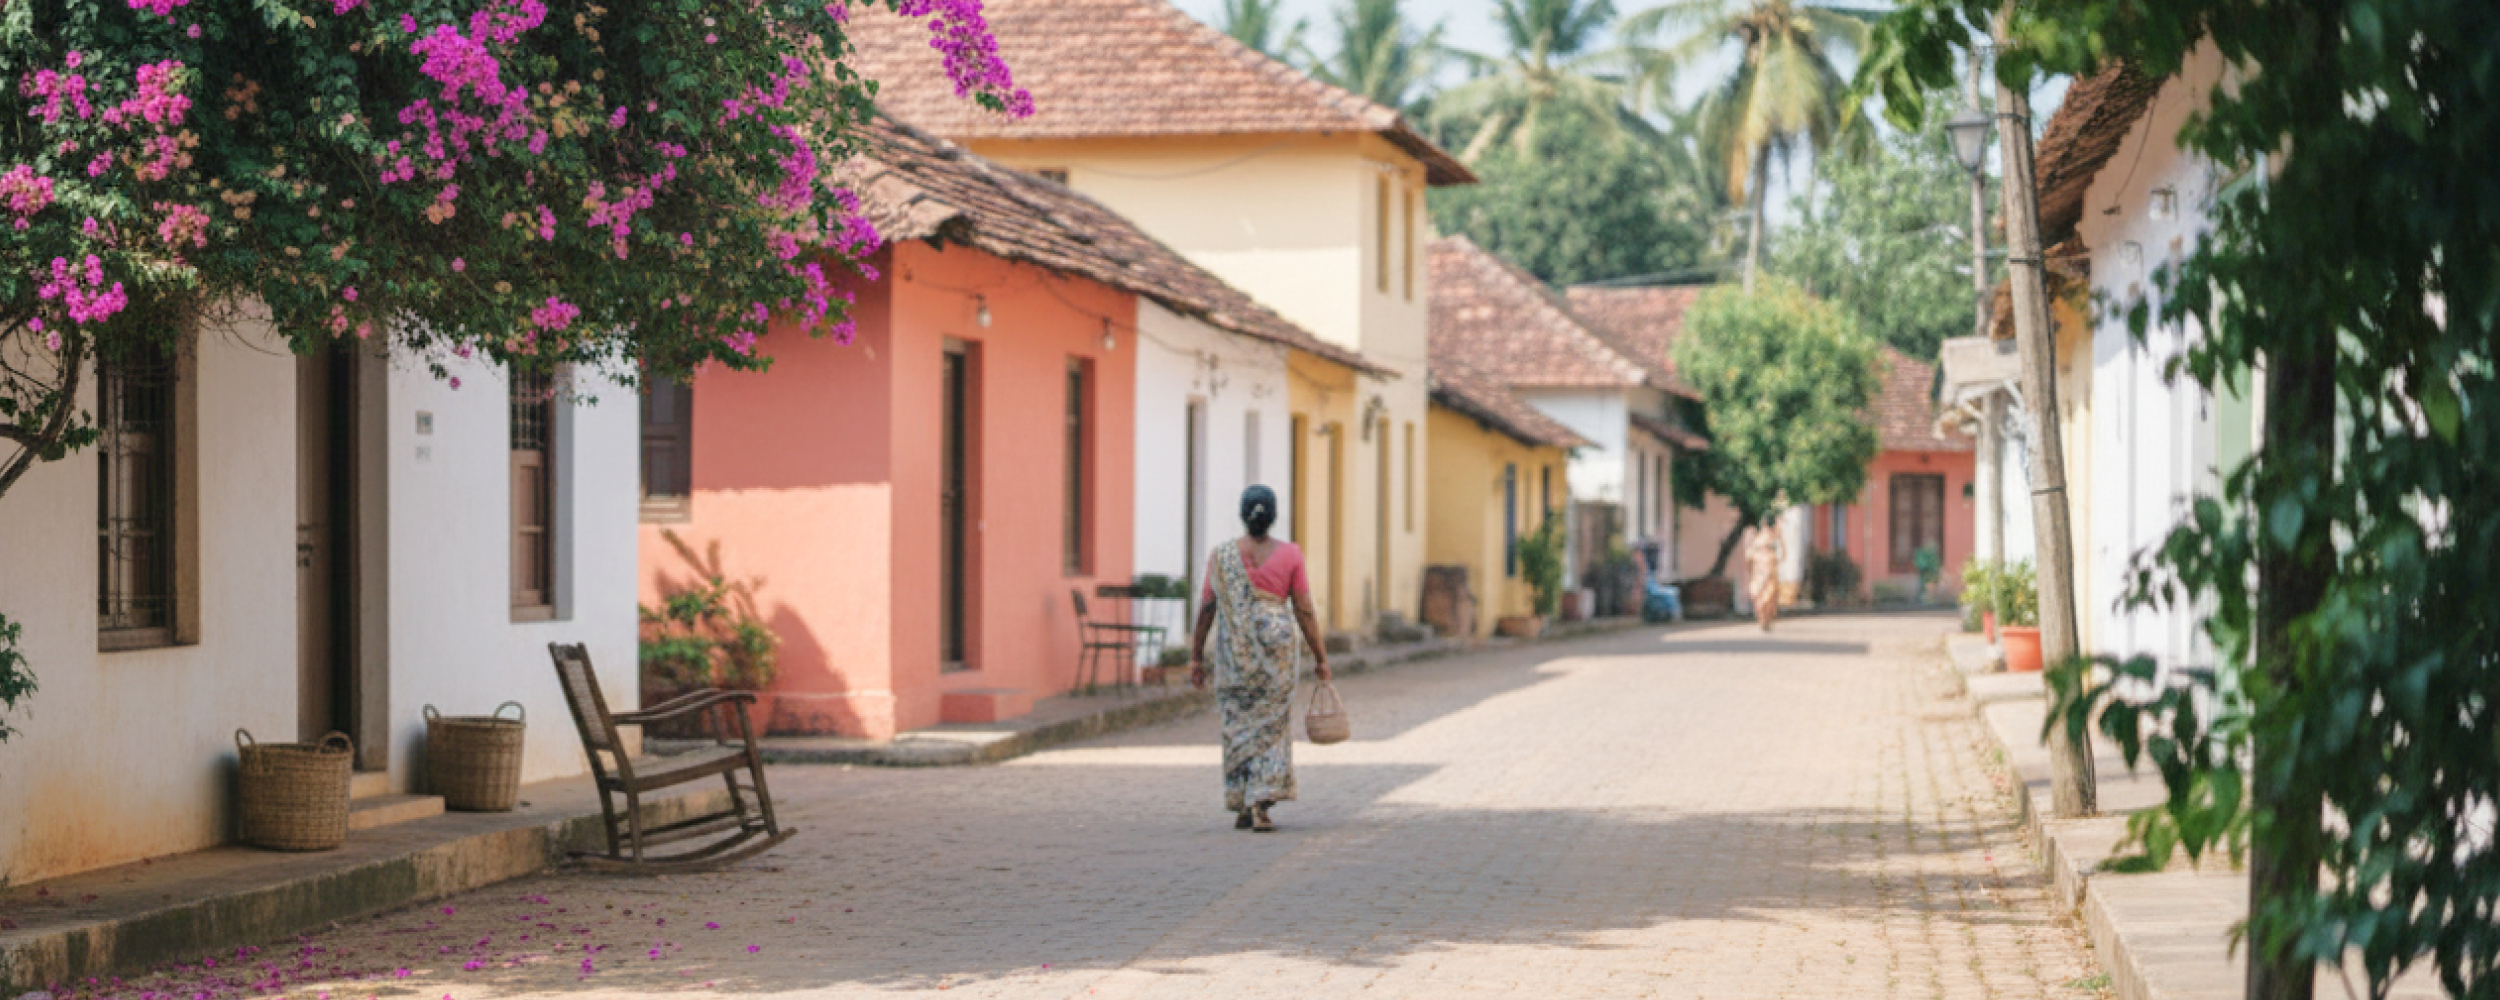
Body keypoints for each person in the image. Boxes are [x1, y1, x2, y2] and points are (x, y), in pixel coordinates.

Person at [1189, 485, 1331, 832]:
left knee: (1237, 724)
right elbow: (1304, 609)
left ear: (1242, 514)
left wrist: (1196, 656)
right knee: (1271, 726)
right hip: (1277, 653)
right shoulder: (1290, 554)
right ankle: (1261, 805)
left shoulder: (1221, 555)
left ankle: (1241, 802)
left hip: (1233, 651)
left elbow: (1208, 606)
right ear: (1273, 516)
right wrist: (1320, 657)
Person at [1745, 523, 1784, 632]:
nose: (1764, 548)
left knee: (1769, 602)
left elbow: (1782, 556)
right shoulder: (1754, 553)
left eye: (1767, 545)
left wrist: (1780, 539)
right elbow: (1747, 562)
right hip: (1758, 579)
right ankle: (1762, 620)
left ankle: (1767, 620)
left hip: (1770, 580)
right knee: (1759, 601)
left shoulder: (1772, 555)